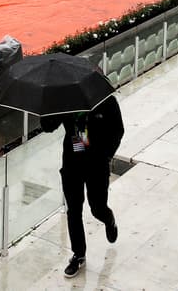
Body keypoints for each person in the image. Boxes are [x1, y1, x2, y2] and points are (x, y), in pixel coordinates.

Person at [40, 94, 124, 278]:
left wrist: (107, 155)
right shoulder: (65, 100)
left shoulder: (106, 101)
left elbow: (118, 130)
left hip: (97, 164)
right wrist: (48, 106)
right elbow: (47, 127)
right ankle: (79, 254)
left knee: (97, 208)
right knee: (74, 210)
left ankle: (109, 220)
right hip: (72, 163)